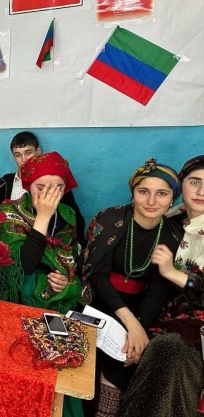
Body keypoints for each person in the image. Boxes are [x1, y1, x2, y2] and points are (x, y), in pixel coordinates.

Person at [81, 158, 183, 416]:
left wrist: (140, 328)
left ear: (173, 198)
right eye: (143, 191)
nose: (151, 201)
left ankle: (108, 409)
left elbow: (158, 290)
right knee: (98, 353)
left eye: (162, 194)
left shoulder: (173, 235)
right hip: (99, 299)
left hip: (140, 307)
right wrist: (131, 324)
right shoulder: (110, 219)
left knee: (130, 353)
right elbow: (97, 275)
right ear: (133, 192)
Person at [118, 155, 204, 417]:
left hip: (196, 331)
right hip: (158, 315)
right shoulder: (169, 221)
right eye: (194, 181)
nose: (201, 191)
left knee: (168, 352)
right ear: (181, 185)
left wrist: (172, 272)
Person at [0, 152, 82, 313]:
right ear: (29, 185)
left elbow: (71, 261)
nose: (49, 194)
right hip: (20, 297)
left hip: (56, 298)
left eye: (58, 188)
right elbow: (23, 266)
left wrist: (66, 281)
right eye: (41, 188)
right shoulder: (9, 211)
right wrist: (43, 216)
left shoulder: (68, 215)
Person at [0, 131, 85, 244]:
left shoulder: (55, 183)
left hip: (48, 242)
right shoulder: (6, 183)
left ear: (38, 151)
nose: (24, 159)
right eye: (18, 155)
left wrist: (78, 247)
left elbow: (75, 220)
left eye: (28, 152)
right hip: (12, 243)